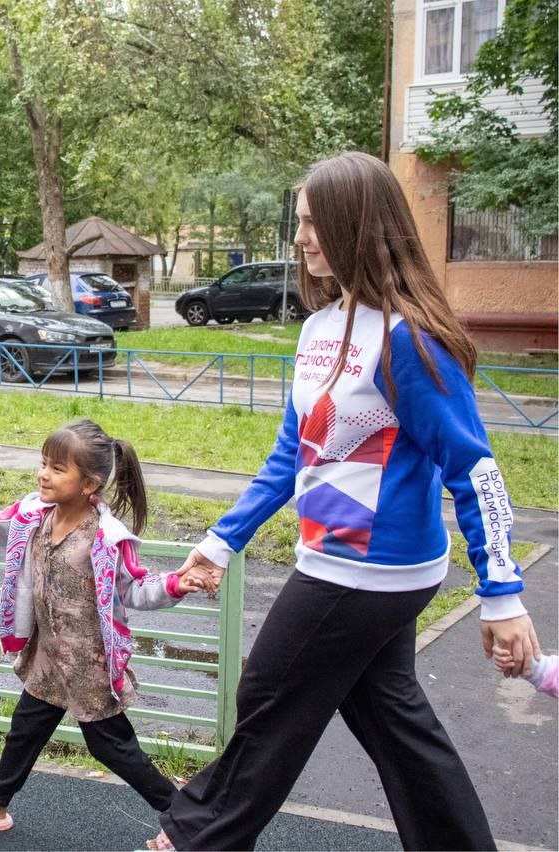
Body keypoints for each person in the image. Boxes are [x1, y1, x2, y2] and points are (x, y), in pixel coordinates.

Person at [149, 151, 540, 851]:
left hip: (369, 573)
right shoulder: (319, 330)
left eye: (314, 223)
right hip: (338, 561)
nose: (301, 238)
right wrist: (220, 540)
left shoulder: (408, 341)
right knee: (392, 716)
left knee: (268, 695)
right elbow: (289, 457)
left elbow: (474, 471)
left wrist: (502, 595)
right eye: (299, 222)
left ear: (358, 225)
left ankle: (196, 836)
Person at [0, 419, 208, 831]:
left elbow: (136, 588)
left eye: (57, 468)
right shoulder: (33, 516)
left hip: (88, 666)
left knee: (113, 750)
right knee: (25, 729)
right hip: (47, 655)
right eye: (43, 463)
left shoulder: (105, 538)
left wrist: (176, 583)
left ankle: (185, 818)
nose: (43, 474)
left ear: (89, 484)